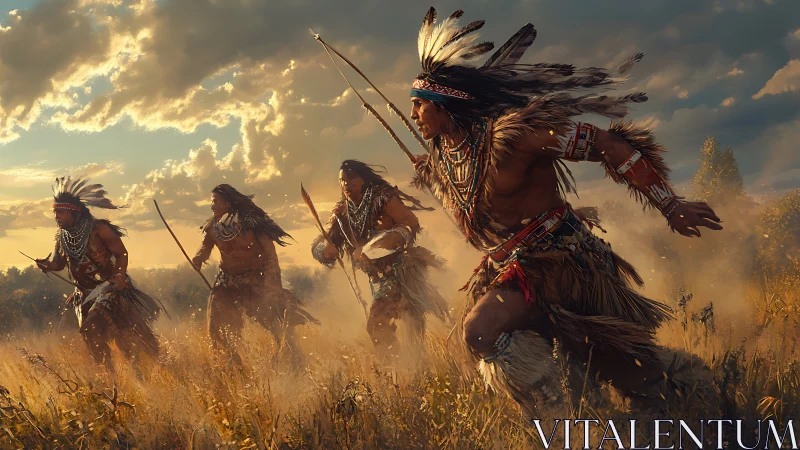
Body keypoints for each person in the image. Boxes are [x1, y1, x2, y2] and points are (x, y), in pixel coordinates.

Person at [406, 8, 722, 416]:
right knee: (483, 334)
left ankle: (696, 400)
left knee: (636, 378)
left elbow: (608, 144)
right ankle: (566, 415)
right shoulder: (447, 158)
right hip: (510, 269)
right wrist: (433, 179)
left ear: (445, 104)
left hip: (565, 265)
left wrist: (670, 203)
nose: (414, 115)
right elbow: (473, 220)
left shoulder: (514, 136)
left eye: (419, 105)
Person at [311, 160, 452, 360]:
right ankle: (400, 370)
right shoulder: (343, 213)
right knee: (387, 327)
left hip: (401, 271)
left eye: (351, 179)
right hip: (377, 279)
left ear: (363, 180)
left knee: (390, 325)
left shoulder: (383, 199)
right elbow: (323, 242)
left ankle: (406, 370)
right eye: (342, 181)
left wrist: (381, 243)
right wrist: (325, 249)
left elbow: (410, 224)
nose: (346, 185)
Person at [36, 177, 162, 375]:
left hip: (108, 289)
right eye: (55, 212)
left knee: (95, 329)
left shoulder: (99, 229)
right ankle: (108, 376)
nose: (56, 216)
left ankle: (136, 371)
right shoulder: (62, 236)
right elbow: (59, 264)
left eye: (60, 212)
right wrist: (47, 265)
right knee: (89, 335)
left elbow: (122, 254)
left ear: (74, 211)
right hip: (83, 294)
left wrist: (120, 276)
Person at [192, 184, 318, 368]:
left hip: (254, 282)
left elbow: (270, 256)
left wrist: (273, 286)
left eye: (215, 202)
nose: (212, 206)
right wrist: (198, 257)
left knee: (276, 325)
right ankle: (230, 367)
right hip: (226, 283)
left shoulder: (253, 224)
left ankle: (292, 360)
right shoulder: (213, 227)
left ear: (227, 203)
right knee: (217, 328)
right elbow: (206, 246)